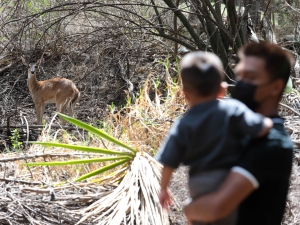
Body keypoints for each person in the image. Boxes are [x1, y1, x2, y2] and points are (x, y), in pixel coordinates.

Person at [155, 51, 273, 225]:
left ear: (185, 93)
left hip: (198, 184)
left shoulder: (183, 123)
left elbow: (169, 162)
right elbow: (260, 128)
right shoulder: (233, 109)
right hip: (230, 181)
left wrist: (164, 189)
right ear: (222, 89)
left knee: (203, 217)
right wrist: (270, 121)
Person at [184, 42, 295, 225]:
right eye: (239, 75)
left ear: (275, 87)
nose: (241, 83)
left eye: (251, 77)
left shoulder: (274, 143)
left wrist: (189, 208)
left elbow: (215, 207)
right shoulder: (238, 130)